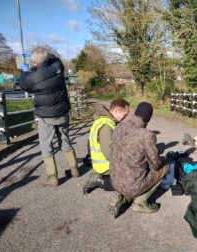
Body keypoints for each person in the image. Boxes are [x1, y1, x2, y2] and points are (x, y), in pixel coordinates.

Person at [20, 47, 79, 187]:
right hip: (63, 113)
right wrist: (45, 54)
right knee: (65, 140)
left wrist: (23, 71)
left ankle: (52, 178)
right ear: (47, 58)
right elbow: (56, 59)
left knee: (46, 145)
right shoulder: (57, 67)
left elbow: (24, 85)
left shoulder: (33, 77)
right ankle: (75, 170)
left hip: (46, 116)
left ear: (34, 61)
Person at [108, 102, 169, 217]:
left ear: (135, 112)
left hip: (114, 181)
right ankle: (140, 201)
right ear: (148, 118)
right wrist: (159, 157)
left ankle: (123, 197)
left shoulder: (119, 126)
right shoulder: (146, 135)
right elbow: (156, 165)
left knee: (134, 166)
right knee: (165, 166)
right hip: (132, 184)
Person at [83, 99, 129, 194]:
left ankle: (100, 176)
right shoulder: (106, 126)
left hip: (101, 164)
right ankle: (100, 181)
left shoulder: (103, 120)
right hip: (105, 167)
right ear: (116, 111)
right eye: (125, 115)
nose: (125, 118)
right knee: (129, 183)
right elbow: (108, 153)